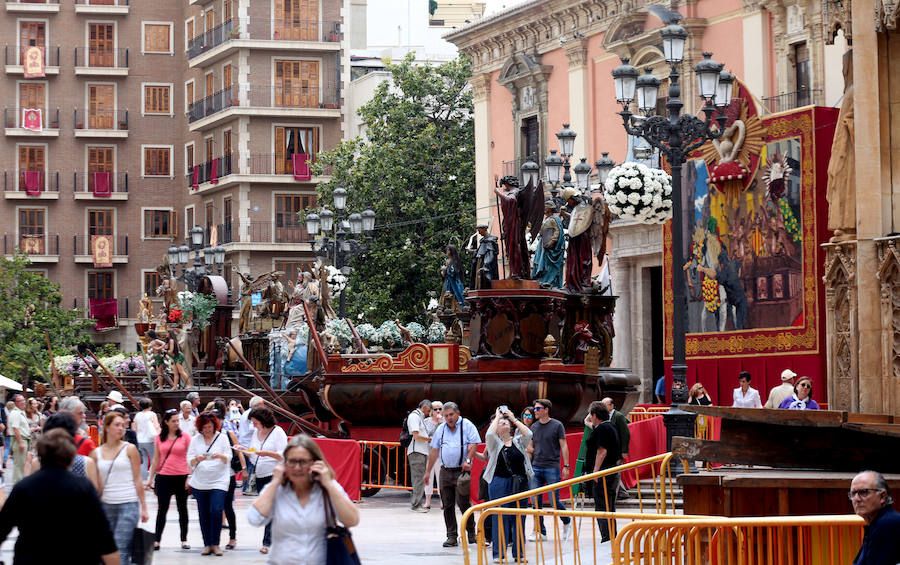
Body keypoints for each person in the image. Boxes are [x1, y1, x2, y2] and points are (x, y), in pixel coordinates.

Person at [0, 428, 121, 565]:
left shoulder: (24, 487)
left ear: (41, 455)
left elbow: (3, 526)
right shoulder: (83, 487)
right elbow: (103, 535)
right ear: (70, 456)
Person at [248, 434, 360, 565]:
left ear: (315, 463)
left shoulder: (327, 489)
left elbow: (352, 520)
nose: (297, 468)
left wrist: (329, 484)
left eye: (303, 462)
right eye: (292, 461)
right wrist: (275, 482)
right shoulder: (278, 489)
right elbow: (254, 519)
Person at [92, 411, 149, 565]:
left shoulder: (130, 449)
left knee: (120, 549)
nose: (121, 428)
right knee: (107, 549)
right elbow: (96, 484)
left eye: (123, 425)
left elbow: (137, 478)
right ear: (106, 427)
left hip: (128, 503)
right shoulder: (96, 453)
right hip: (106, 505)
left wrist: (144, 507)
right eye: (117, 425)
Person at [424, 401, 481, 547]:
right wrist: (428, 471)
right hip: (445, 471)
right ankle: (451, 536)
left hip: (461, 472)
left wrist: (468, 460)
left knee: (463, 503)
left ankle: (471, 532)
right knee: (447, 505)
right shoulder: (441, 429)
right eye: (446, 415)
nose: (449, 418)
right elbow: (434, 450)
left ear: (458, 414)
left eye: (451, 415)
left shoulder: (467, 425)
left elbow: (474, 443)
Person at [483, 407, 533, 563]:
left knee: (519, 517)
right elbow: (489, 434)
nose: (504, 423)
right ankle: (499, 554)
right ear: (496, 427)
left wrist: (513, 417)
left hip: (520, 482)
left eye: (506, 422)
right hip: (499, 482)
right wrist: (498, 416)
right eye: (500, 422)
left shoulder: (518, 441)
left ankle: (519, 553)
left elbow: (529, 434)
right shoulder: (494, 443)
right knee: (500, 517)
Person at [240, 406, 288, 554]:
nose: (253, 425)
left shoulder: (277, 432)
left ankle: (267, 542)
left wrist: (268, 453)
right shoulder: (256, 433)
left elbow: (284, 454)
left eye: (255, 422)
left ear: (263, 420)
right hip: (260, 474)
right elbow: (254, 454)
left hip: (275, 474)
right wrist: (244, 451)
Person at [145, 408, 193, 551]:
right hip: (164, 476)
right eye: (173, 421)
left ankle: (184, 539)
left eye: (177, 421)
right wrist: (150, 478)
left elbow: (190, 457)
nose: (176, 423)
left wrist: (189, 476)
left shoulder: (185, 437)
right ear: (166, 422)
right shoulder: (159, 438)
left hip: (181, 476)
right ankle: (156, 540)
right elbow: (156, 459)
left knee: (182, 509)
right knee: (162, 509)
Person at [187, 411, 231, 556]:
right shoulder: (195, 440)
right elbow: (189, 460)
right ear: (200, 427)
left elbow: (229, 456)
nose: (207, 430)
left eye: (210, 426)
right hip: (200, 482)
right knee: (203, 513)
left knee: (216, 510)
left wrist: (221, 456)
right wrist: (197, 459)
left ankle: (216, 543)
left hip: (219, 480)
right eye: (205, 427)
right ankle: (207, 544)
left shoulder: (222, 438)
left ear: (215, 426)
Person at [529, 398, 572, 541]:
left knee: (554, 501)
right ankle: (541, 532)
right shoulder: (534, 427)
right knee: (536, 502)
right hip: (536, 467)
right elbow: (531, 447)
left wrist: (566, 466)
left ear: (546, 410)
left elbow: (564, 446)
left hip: (552, 467)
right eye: (534, 409)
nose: (535, 411)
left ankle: (566, 521)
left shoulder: (557, 425)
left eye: (537, 409)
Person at [583, 400, 621, 543]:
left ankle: (607, 537)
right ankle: (611, 535)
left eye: (592, 414)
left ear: (595, 415)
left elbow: (602, 451)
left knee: (602, 506)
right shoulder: (608, 426)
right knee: (608, 505)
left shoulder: (602, 429)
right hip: (611, 471)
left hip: (603, 473)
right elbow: (587, 421)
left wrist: (595, 472)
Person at [41, 412, 101, 491]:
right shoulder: (85, 462)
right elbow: (95, 490)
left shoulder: (38, 462)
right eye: (80, 413)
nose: (83, 416)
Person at [214, 399, 245, 551]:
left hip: (228, 474)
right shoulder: (206, 435)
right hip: (213, 475)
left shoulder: (228, 433)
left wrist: (244, 468)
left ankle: (232, 537)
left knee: (227, 506)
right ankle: (213, 539)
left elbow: (238, 450)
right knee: (214, 508)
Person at [850, 470, 900, 565]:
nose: (856, 499)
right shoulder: (877, 522)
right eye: (853, 493)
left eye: (863, 492)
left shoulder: (887, 524)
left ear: (882, 496)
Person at [407, 399, 433, 512]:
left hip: (420, 451)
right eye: (429, 410)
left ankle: (417, 503)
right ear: (425, 407)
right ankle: (416, 505)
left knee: (420, 479)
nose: (429, 413)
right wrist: (430, 439)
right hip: (417, 452)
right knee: (418, 479)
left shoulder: (419, 417)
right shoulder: (414, 416)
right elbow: (416, 436)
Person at [532, 200, 566, 287]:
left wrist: (552, 242)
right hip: (543, 244)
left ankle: (549, 282)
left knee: (549, 267)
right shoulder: (547, 219)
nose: (544, 209)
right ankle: (543, 281)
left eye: (545, 208)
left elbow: (557, 231)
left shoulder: (554, 219)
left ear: (549, 209)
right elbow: (542, 231)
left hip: (550, 247)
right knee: (543, 265)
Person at [239, 396, 265, 494]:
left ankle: (247, 487)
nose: (263, 407)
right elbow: (252, 428)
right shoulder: (251, 414)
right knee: (251, 466)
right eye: (262, 405)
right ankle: (247, 488)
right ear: (256, 406)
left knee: (249, 466)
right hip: (248, 444)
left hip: (245, 442)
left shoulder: (246, 413)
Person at [132, 397, 160, 481]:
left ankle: (143, 479)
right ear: (150, 406)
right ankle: (152, 478)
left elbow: (134, 428)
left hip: (139, 440)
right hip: (150, 440)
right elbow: (156, 426)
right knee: (153, 459)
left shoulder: (137, 415)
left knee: (143, 460)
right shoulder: (152, 414)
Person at [424, 400, 443, 509]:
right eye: (435, 409)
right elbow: (426, 435)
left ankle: (442, 501)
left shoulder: (444, 422)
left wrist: (440, 423)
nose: (438, 411)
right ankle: (427, 502)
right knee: (428, 478)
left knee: (441, 478)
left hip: (441, 454)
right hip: (429, 453)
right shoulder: (426, 422)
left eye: (440, 409)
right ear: (432, 410)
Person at [8, 394, 31, 485]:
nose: (23, 402)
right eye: (20, 401)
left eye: (23, 400)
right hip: (20, 440)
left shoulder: (20, 412)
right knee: (19, 466)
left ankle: (18, 485)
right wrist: (21, 442)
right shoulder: (15, 413)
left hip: (23, 440)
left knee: (21, 465)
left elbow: (20, 428)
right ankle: (16, 486)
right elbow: (15, 428)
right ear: (15, 403)